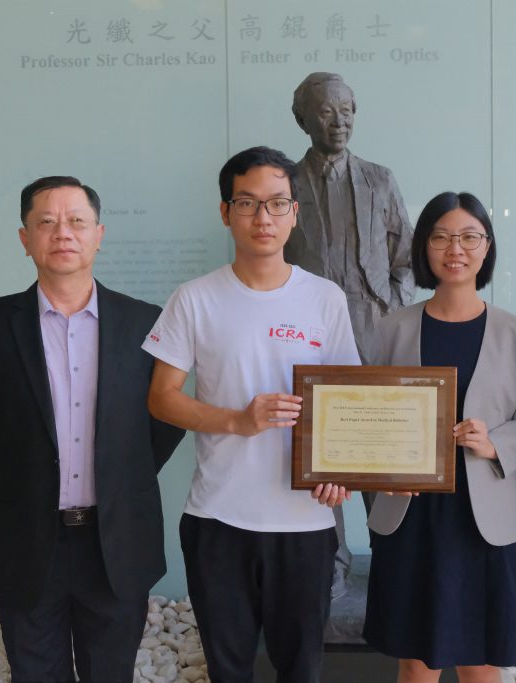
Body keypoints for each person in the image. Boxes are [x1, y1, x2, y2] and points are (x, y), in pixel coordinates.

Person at [0, 176, 185, 682]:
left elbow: (164, 421)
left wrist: (120, 479)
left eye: (77, 221)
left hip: (116, 541)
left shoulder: (146, 325)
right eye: (46, 222)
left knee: (110, 673)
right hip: (27, 539)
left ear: (99, 234)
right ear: (25, 238)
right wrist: (19, 488)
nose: (62, 233)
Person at [142, 146, 360, 682]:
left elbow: (347, 402)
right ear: (225, 212)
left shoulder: (325, 299)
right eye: (248, 203)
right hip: (219, 519)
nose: (263, 217)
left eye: (277, 203)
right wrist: (237, 421)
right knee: (229, 668)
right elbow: (161, 398)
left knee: (301, 669)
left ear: (295, 213)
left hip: (306, 522)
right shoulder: (194, 299)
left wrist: (341, 472)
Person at [364, 191, 516, 683]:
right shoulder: (391, 330)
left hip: (482, 514)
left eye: (470, 236)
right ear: (424, 248)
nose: (456, 248)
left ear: (486, 247)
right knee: (416, 658)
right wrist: (382, 471)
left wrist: (494, 443)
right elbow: (367, 417)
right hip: (410, 512)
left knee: (481, 656)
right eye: (441, 237)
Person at [286, 70, 416, 590]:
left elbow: (406, 257)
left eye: (347, 110)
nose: (339, 122)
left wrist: (393, 309)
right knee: (322, 453)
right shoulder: (286, 186)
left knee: (378, 451)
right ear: (302, 119)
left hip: (375, 328)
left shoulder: (379, 179)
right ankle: (331, 566)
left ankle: (388, 562)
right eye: (325, 111)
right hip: (308, 333)